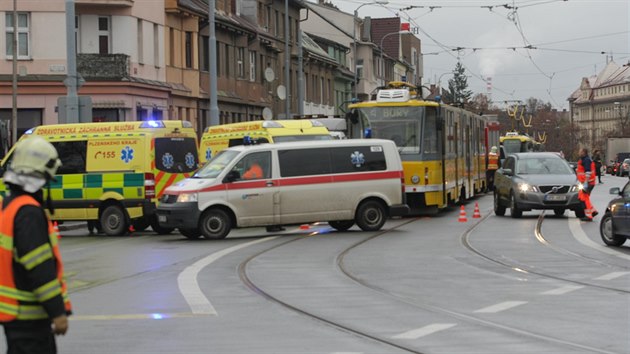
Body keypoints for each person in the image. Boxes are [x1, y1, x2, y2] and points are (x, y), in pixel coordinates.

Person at [0, 136, 72, 353]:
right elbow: (39, 267)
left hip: (16, 317)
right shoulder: (29, 213)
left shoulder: (9, 207)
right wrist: (57, 312)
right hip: (30, 318)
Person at [576, 147, 598, 221]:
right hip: (587, 182)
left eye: (580, 151)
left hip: (588, 183)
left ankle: (589, 216)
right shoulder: (585, 159)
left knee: (583, 198)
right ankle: (593, 211)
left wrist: (585, 183)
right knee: (584, 197)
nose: (579, 153)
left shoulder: (586, 160)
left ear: (583, 152)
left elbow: (587, 172)